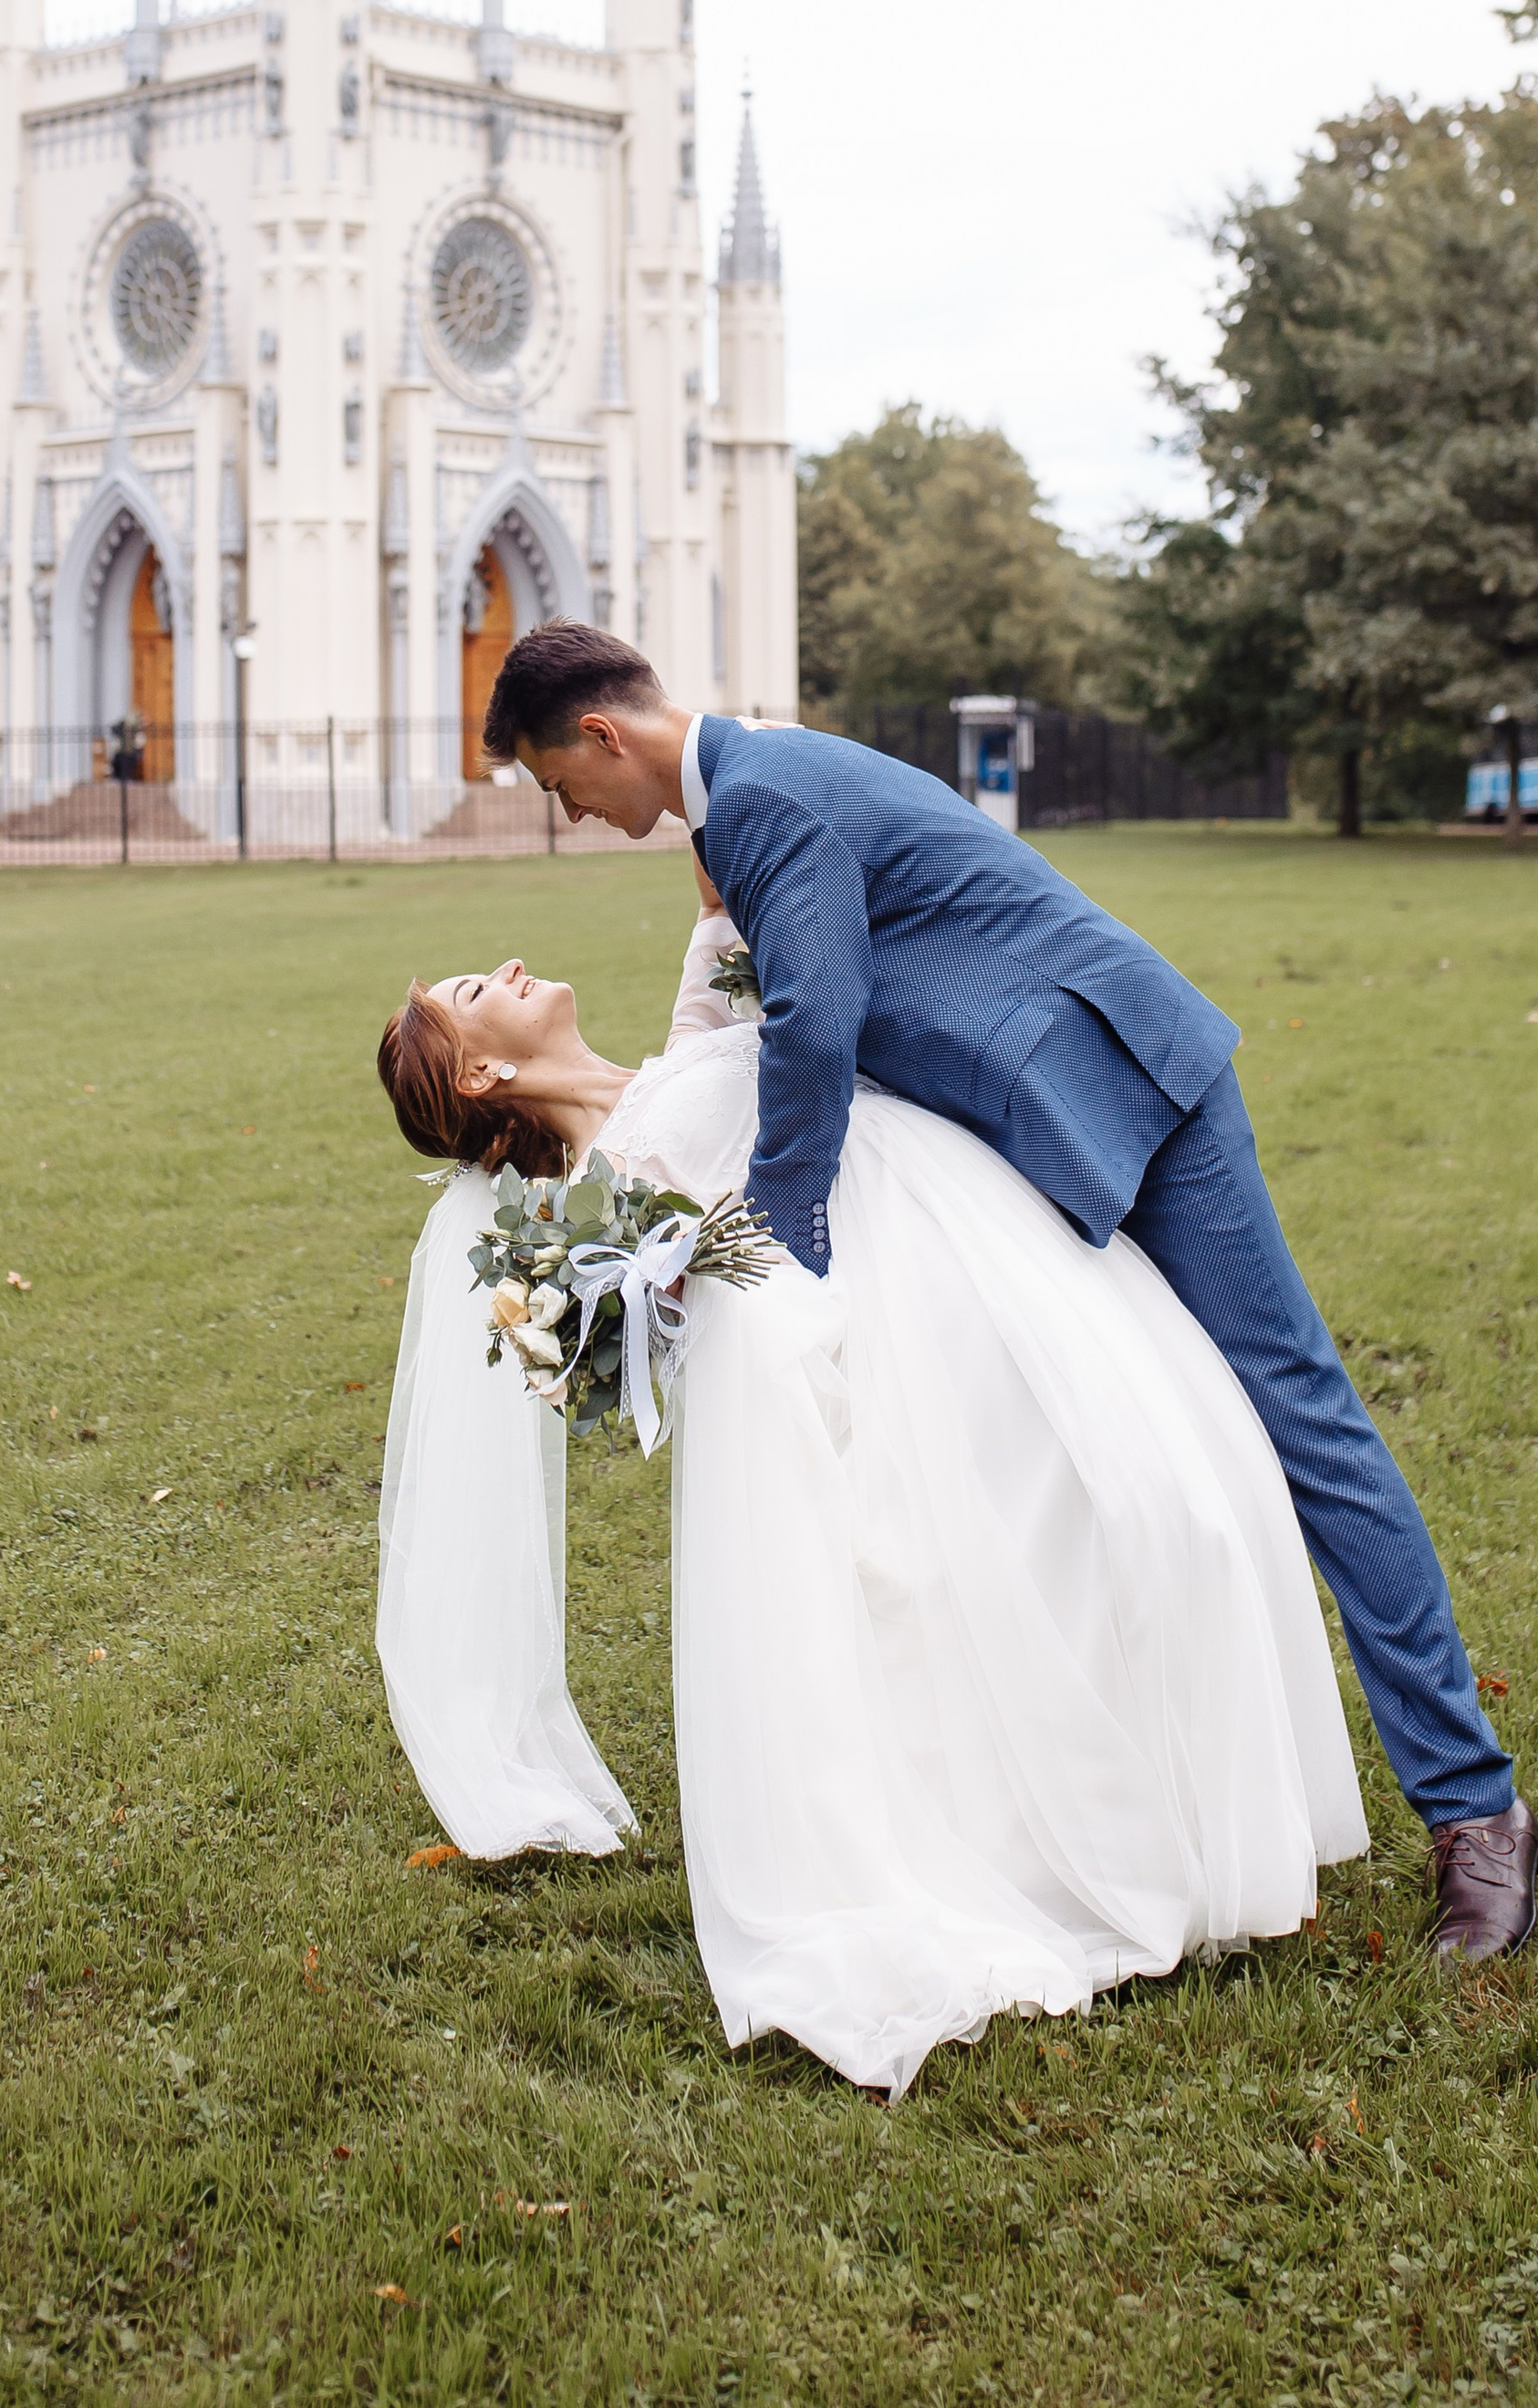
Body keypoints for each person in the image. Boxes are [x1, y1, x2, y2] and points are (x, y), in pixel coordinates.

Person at [473, 622, 1538, 1967]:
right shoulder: (741, 797)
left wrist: (783, 1249)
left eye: (565, 790)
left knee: (1301, 1424)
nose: (579, 819)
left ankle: (1479, 1817)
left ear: (604, 737)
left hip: (1127, 1083)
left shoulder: (758, 801)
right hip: (1035, 1122)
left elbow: (817, 1021)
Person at [372, 896, 1368, 2096]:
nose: (514, 959)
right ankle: (1104, 1838)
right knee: (1077, 1534)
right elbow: (677, 1336)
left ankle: (1182, 1808)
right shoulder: (618, 1192)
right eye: (481, 987)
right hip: (904, 1331)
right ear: (482, 1069)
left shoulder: (672, 1061)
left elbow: (723, 921)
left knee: (1158, 1497)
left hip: (979, 1259)